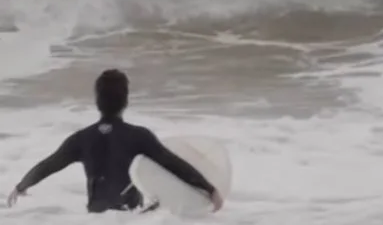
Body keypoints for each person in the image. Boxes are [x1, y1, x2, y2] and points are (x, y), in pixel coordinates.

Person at [6, 69, 223, 214]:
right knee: (152, 209)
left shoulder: (81, 139)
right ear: (125, 101)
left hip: (97, 218)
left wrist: (21, 185)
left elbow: (49, 164)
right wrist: (209, 189)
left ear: (97, 101)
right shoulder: (139, 136)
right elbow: (173, 164)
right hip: (127, 217)